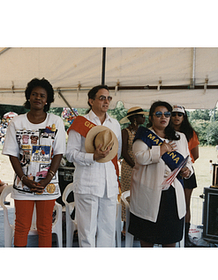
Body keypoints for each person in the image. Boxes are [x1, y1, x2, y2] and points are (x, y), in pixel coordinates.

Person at [2, 78, 66, 247]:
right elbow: (12, 154)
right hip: (23, 185)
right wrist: (24, 179)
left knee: (45, 227)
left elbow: (59, 153)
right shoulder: (16, 122)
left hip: (48, 185)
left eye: (42, 95)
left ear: (47, 100)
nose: (38, 98)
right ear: (28, 96)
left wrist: (46, 180)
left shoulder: (56, 122)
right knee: (22, 226)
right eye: (34, 94)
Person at [128, 101, 192, 247]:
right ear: (151, 117)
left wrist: (187, 170)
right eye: (158, 114)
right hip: (148, 194)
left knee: (170, 240)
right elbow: (139, 157)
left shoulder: (180, 137)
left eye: (167, 114)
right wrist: (160, 150)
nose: (163, 117)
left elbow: (188, 160)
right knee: (147, 240)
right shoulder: (144, 136)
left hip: (173, 196)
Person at [66, 85, 122, 247]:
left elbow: (116, 155)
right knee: (87, 232)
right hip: (87, 183)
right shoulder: (80, 123)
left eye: (109, 98)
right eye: (102, 98)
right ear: (91, 101)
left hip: (109, 185)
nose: (106, 101)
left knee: (108, 230)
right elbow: (71, 154)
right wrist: (93, 157)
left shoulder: (115, 124)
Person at [171, 105, 199, 247]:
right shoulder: (164, 131)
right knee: (170, 205)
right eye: (174, 114)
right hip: (168, 173)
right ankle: (171, 235)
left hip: (186, 172)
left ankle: (185, 237)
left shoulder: (190, 133)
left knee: (185, 205)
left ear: (184, 117)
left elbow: (196, 155)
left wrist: (185, 166)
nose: (176, 117)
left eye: (179, 115)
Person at [119, 107, 147, 235]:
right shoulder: (125, 132)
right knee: (128, 195)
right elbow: (123, 152)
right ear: (135, 118)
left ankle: (138, 226)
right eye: (142, 116)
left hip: (142, 167)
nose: (144, 118)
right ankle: (125, 226)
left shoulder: (145, 132)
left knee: (140, 196)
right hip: (129, 168)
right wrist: (135, 165)